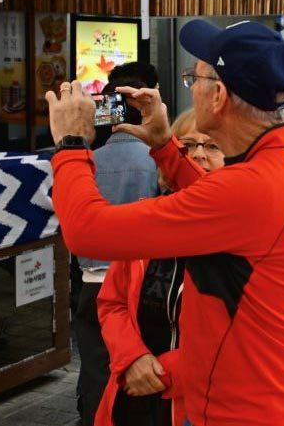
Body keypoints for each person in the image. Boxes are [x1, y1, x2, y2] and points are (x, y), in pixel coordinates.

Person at [45, 20, 284, 426]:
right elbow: (223, 208)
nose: (190, 88)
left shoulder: (246, 188)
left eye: (195, 77)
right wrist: (164, 145)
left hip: (243, 415)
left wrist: (71, 144)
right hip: (265, 403)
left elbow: (86, 230)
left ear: (219, 95)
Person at [95, 109, 225, 426]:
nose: (198, 154)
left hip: (200, 400)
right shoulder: (147, 219)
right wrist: (131, 358)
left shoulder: (240, 235)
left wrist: (163, 374)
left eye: (212, 146)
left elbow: (241, 334)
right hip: (135, 396)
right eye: (188, 145)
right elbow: (112, 302)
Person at [75, 62, 161, 426]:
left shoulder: (87, 162)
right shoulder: (158, 161)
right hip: (141, 284)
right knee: (141, 368)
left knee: (96, 366)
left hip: (92, 280)